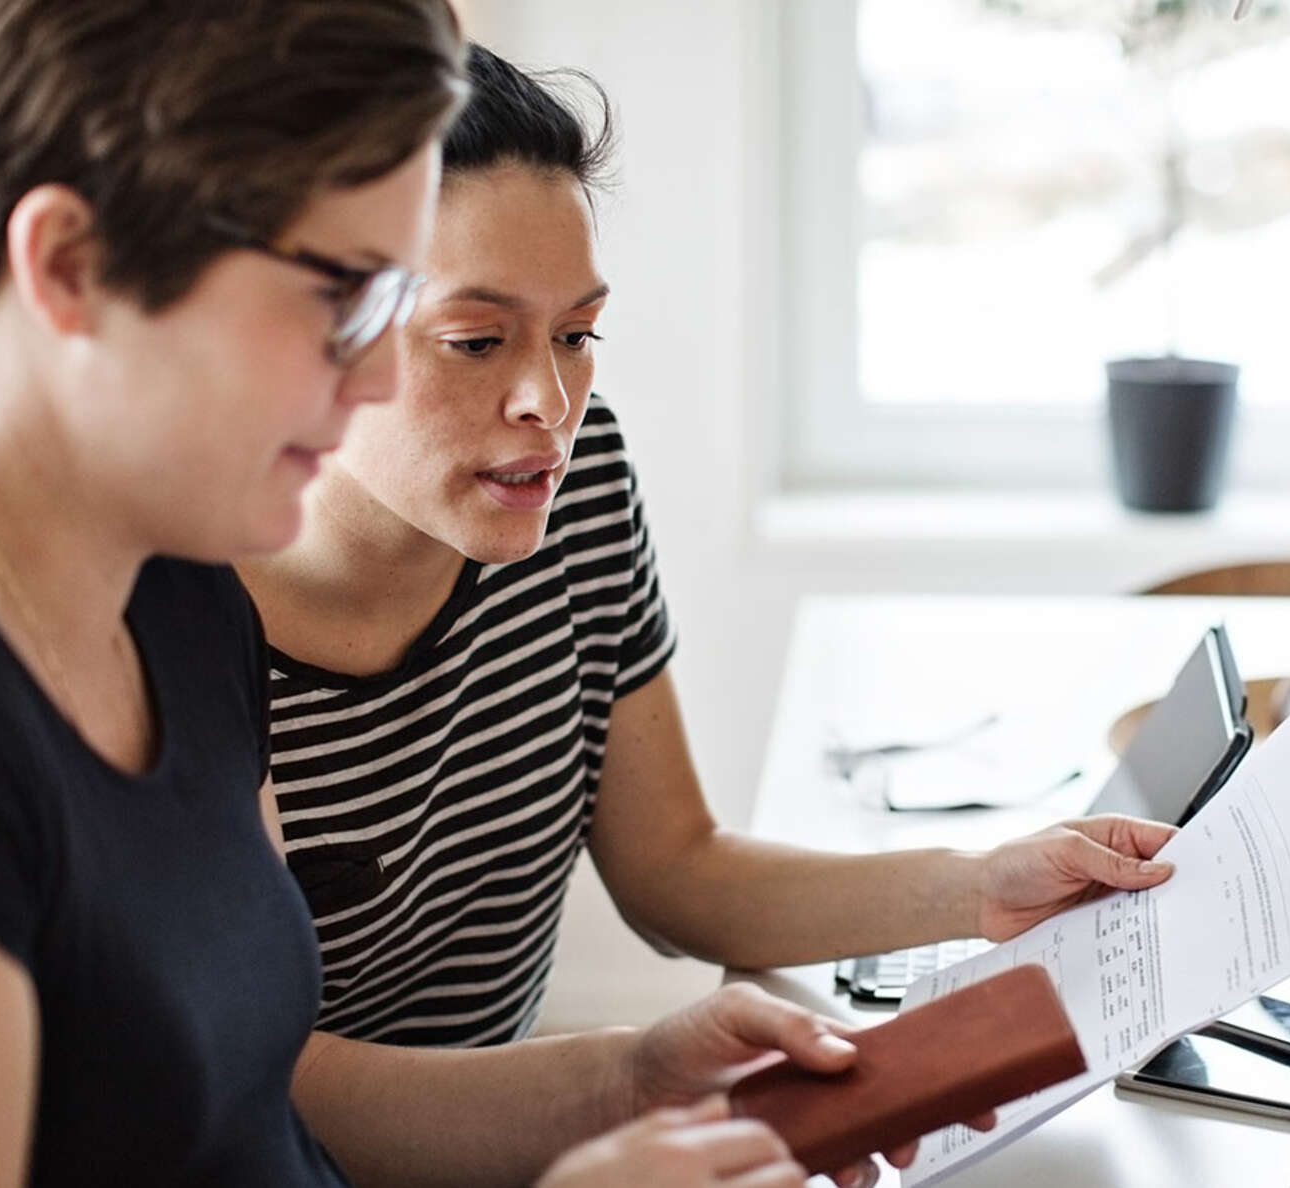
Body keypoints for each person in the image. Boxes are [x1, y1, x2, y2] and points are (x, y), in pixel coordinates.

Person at [0, 5, 938, 1186]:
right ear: (68, 266)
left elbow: (271, 1110)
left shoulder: (174, 594)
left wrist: (630, 1082)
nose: (373, 373)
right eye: (336, 298)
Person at [238, 41, 1180, 1058]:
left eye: (576, 336)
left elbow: (675, 872)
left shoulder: (571, 474)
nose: (547, 405)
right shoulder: (184, 608)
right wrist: (634, 1085)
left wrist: (980, 882)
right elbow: (264, 1090)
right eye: (477, 341)